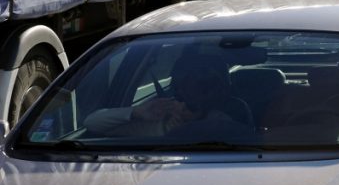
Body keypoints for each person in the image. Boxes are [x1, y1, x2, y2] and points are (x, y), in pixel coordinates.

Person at [85, 53, 252, 138]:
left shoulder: (221, 122)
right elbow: (91, 123)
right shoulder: (157, 118)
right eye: (180, 98)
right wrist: (136, 112)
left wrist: (184, 132)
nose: (183, 106)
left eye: (194, 103)